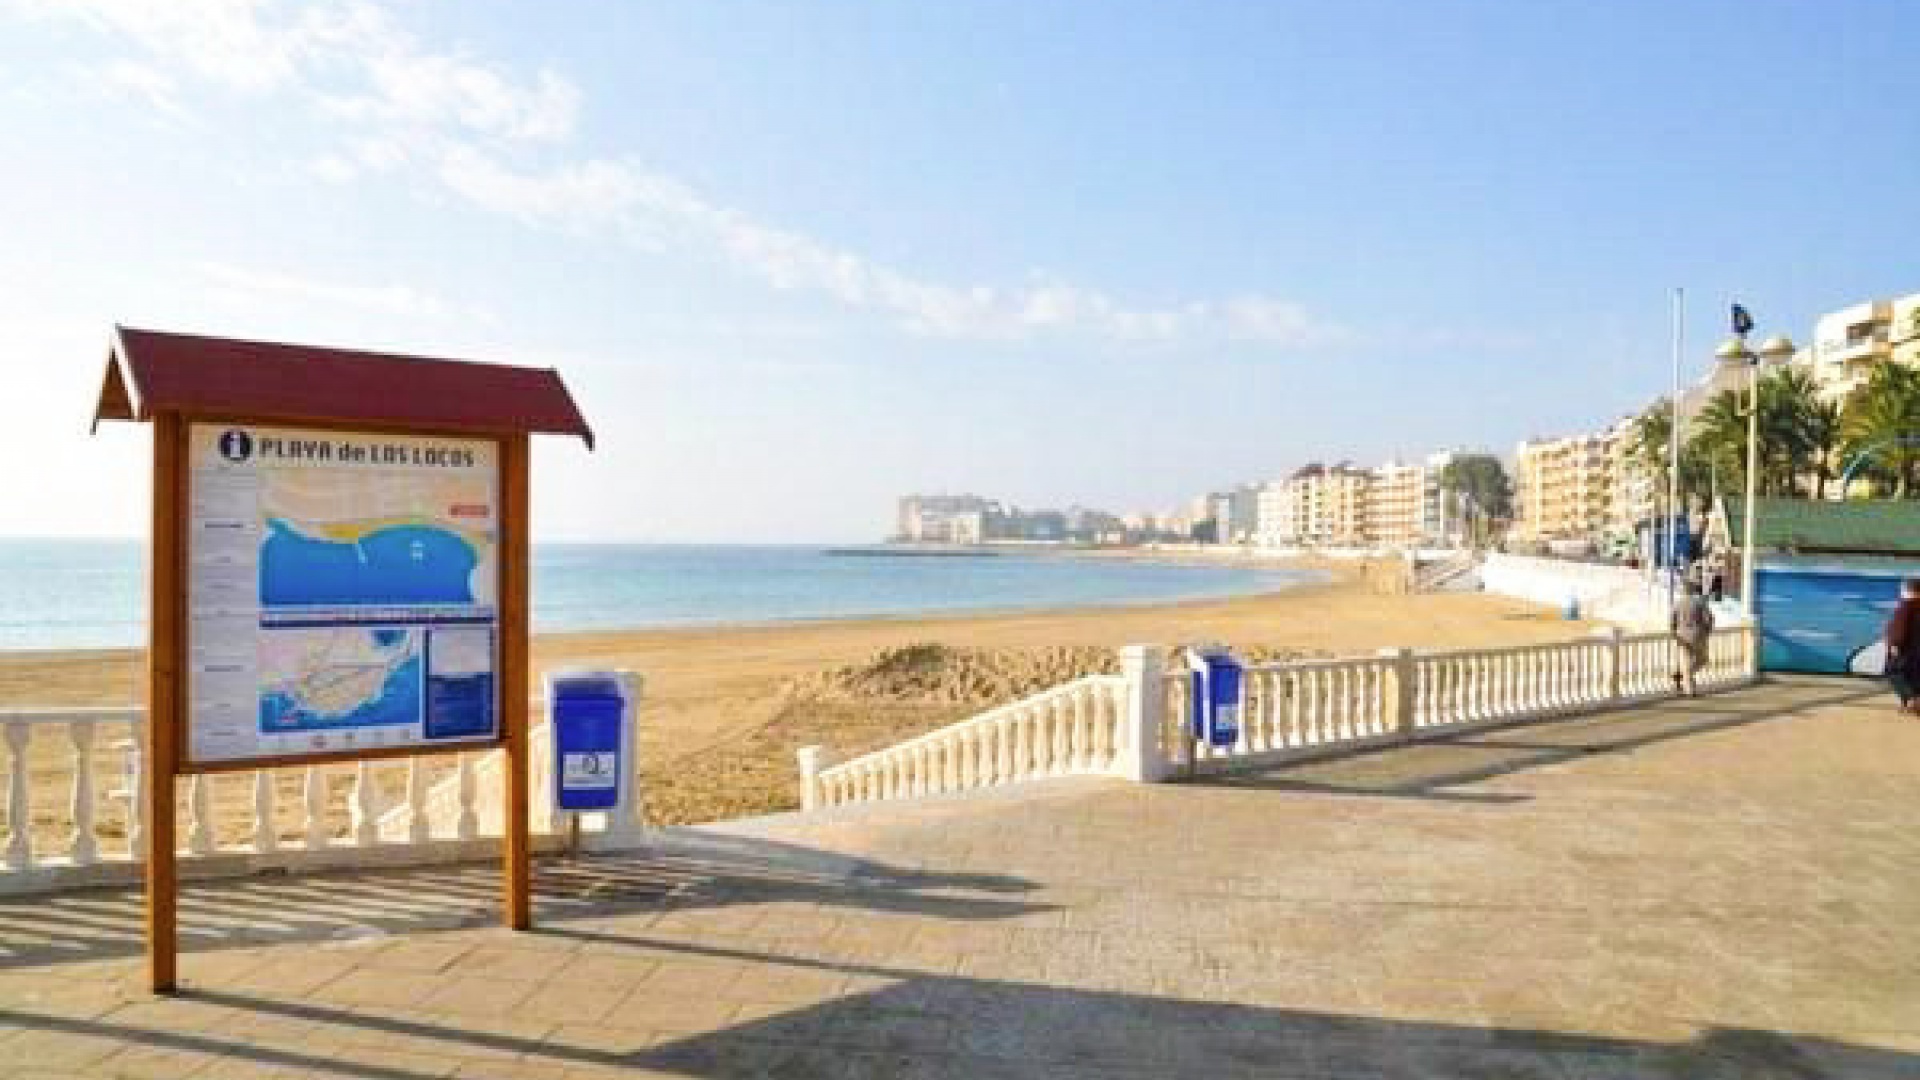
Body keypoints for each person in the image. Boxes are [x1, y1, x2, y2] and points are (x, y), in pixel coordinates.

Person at [1670, 580, 1714, 697]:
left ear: (1683, 590)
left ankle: (1685, 679)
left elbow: (1672, 621)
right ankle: (1689, 687)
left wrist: (1675, 634)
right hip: (1698, 635)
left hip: (1682, 636)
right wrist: (1707, 631)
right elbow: (1709, 618)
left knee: (1686, 661)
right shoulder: (1699, 602)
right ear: (1693, 589)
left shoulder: (1677, 603)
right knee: (1703, 659)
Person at [1886, 578, 1920, 716]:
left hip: (1906, 649)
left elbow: (1899, 627)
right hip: (1916, 649)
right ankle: (1909, 704)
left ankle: (1913, 701)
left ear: (1908, 590)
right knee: (1915, 676)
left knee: (1893, 671)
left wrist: (1895, 644)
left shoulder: (1906, 606)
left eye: (1902, 589)